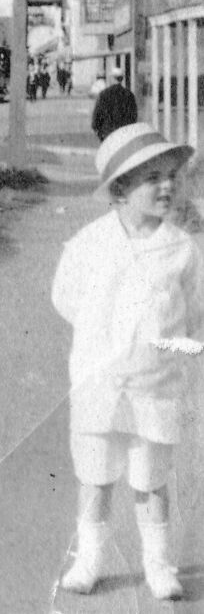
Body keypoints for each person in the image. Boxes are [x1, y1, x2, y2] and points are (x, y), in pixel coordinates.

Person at [52, 123, 204, 600]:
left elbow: (195, 314)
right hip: (99, 384)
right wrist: (103, 343)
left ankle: (158, 566)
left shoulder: (181, 248)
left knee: (152, 481)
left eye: (171, 176)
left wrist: (169, 349)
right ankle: (90, 562)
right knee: (95, 477)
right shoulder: (89, 244)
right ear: (119, 190)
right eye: (151, 178)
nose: (167, 186)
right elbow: (66, 299)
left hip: (156, 388)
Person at [91, 66, 138, 141]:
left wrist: (100, 134)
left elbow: (97, 117)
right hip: (124, 134)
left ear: (111, 78)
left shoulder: (104, 94)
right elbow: (133, 116)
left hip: (107, 134)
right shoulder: (129, 95)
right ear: (122, 79)